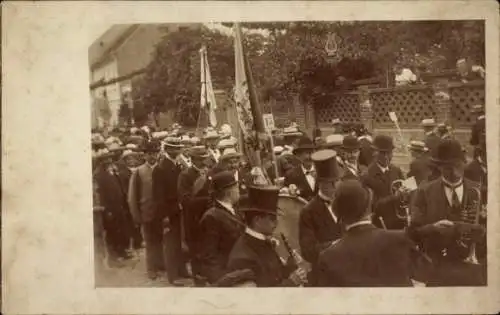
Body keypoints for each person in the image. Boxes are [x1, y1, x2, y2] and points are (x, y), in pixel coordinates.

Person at [409, 139, 486, 286]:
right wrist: (432, 228)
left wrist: (475, 230)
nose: (454, 171)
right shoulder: (424, 191)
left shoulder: (477, 190)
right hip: (437, 268)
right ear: (439, 167)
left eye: (457, 165)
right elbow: (413, 232)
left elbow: (490, 230)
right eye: (447, 167)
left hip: (470, 269)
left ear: (463, 163)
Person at [314, 180, 416, 287]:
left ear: (336, 212)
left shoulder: (328, 257)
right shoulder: (398, 239)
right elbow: (428, 272)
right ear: (368, 208)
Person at [226, 185, 308, 287]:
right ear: (257, 220)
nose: (276, 223)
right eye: (272, 219)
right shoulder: (243, 259)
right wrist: (291, 282)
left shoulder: (262, 241)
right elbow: (261, 299)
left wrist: (291, 266)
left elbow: (276, 275)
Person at [196, 170, 245, 284]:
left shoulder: (234, 210)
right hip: (225, 274)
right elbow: (209, 255)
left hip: (236, 269)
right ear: (229, 192)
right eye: (237, 188)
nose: (239, 191)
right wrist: (219, 281)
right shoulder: (212, 217)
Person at [152, 136, 189, 284]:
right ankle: (173, 276)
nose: (177, 150)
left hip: (179, 209)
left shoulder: (178, 165)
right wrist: (164, 216)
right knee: (171, 244)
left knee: (180, 240)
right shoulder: (160, 168)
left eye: (178, 147)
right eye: (173, 148)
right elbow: (158, 196)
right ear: (167, 149)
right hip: (168, 211)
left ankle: (182, 270)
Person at [299, 149, 343, 267]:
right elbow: (308, 252)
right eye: (330, 183)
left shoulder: (346, 203)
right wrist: (336, 244)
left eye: (337, 181)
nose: (335, 187)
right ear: (320, 183)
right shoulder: (308, 212)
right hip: (325, 270)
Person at [127, 141, 163, 280]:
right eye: (149, 154)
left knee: (160, 240)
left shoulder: (161, 169)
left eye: (155, 153)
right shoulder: (139, 172)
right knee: (150, 242)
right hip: (146, 213)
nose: (152, 156)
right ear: (144, 155)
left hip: (160, 213)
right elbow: (132, 196)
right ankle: (151, 268)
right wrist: (136, 216)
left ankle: (160, 264)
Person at [177, 145, 212, 275]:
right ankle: (198, 277)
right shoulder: (185, 175)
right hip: (193, 218)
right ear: (192, 159)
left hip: (208, 216)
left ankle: (208, 274)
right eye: (200, 159)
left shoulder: (209, 173)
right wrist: (207, 199)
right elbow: (186, 200)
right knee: (195, 249)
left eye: (205, 158)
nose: (203, 162)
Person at [93, 147, 131, 267]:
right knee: (112, 232)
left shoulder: (111, 171)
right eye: (105, 159)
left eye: (109, 158)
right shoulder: (99, 175)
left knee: (120, 229)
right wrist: (107, 210)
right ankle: (114, 258)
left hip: (117, 205)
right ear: (100, 161)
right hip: (109, 208)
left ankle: (121, 252)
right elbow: (101, 194)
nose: (108, 161)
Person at [361, 135, 408, 230]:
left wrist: (407, 193)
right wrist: (394, 197)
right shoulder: (367, 176)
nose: (386, 157)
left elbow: (406, 195)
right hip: (381, 225)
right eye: (382, 153)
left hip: (400, 221)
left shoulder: (396, 170)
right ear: (374, 153)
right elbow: (372, 207)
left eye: (389, 153)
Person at [283, 136, 317, 201]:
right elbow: (288, 200)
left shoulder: (322, 171)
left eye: (311, 152)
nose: (309, 157)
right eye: (306, 153)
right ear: (299, 156)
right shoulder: (291, 175)